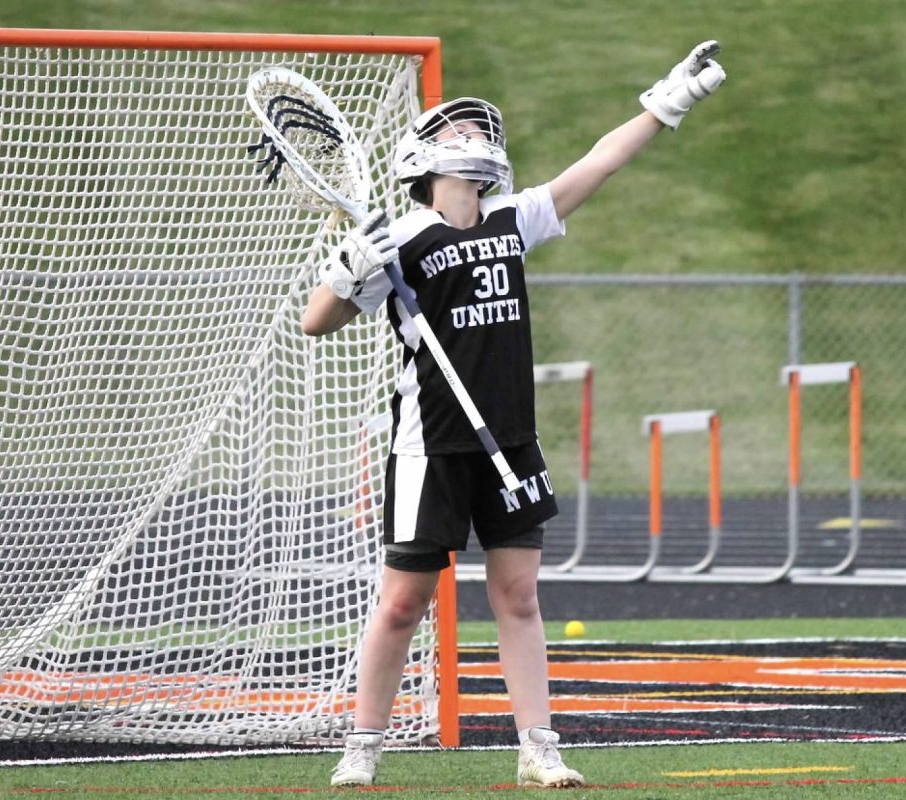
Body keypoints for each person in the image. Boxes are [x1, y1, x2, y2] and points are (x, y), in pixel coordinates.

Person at [302, 41, 726, 789]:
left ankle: (539, 747)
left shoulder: (511, 219)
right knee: (402, 603)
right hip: (430, 445)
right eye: (460, 132)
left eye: (479, 130)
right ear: (429, 157)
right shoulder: (397, 241)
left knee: (520, 597)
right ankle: (363, 746)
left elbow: (597, 164)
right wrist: (345, 276)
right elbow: (317, 321)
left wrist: (668, 102)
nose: (477, 137)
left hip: (510, 440)